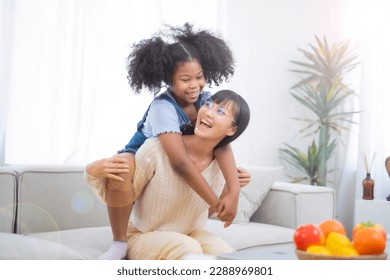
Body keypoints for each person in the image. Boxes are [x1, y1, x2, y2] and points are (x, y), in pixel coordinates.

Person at [88, 23, 245, 260]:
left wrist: (233, 190)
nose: (194, 85)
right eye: (185, 79)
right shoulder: (163, 107)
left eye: (199, 77)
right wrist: (216, 201)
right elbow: (180, 162)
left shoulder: (205, 101)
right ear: (168, 80)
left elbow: (221, 144)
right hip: (143, 152)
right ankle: (120, 242)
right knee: (123, 167)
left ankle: (182, 233)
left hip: (172, 159)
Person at [86, 89, 251, 259]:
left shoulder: (224, 167)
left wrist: (230, 189)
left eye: (220, 111)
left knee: (225, 255)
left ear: (232, 130)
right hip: (145, 233)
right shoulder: (156, 150)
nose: (209, 112)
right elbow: (124, 195)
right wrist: (93, 170)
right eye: (208, 104)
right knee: (187, 249)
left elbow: (201, 213)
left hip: (192, 233)